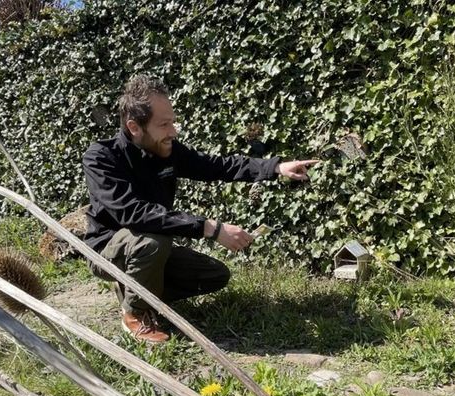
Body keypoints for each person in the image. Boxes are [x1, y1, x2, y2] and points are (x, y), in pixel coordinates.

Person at [82, 75, 319, 343]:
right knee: (152, 239)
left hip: (148, 248)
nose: (173, 131)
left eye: (172, 122)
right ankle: (136, 313)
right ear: (134, 127)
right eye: (164, 124)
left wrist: (274, 168)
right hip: (107, 251)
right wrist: (211, 228)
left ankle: (135, 285)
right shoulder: (101, 157)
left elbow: (217, 166)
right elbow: (132, 213)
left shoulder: (167, 151)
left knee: (214, 276)